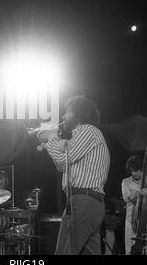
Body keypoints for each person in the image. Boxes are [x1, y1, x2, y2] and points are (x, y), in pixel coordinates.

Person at [37, 95, 110, 255]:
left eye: (67, 112)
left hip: (82, 201)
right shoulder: (82, 136)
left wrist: (51, 138)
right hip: (91, 203)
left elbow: (63, 159)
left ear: (78, 114)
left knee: (65, 252)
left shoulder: (87, 130)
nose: (63, 116)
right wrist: (52, 143)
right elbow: (63, 165)